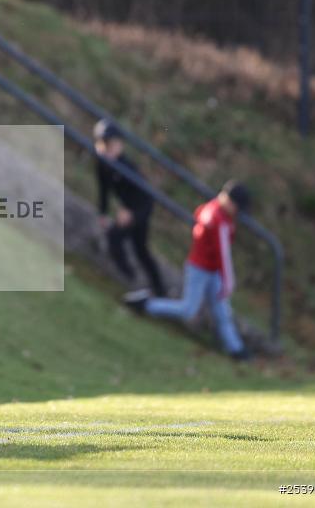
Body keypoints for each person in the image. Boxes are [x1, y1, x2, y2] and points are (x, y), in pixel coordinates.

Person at [125, 180, 252, 361]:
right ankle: (147, 304)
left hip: (213, 270)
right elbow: (222, 253)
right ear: (230, 201)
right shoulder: (216, 218)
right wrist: (229, 281)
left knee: (222, 313)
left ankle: (237, 350)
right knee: (188, 309)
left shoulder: (216, 214)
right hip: (200, 268)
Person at [93, 119, 166, 296]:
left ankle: (139, 282)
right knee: (137, 248)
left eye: (110, 144)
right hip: (130, 209)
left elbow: (142, 195)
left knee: (121, 241)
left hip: (141, 209)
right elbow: (104, 189)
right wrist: (103, 213)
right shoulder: (103, 164)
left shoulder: (126, 166)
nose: (107, 148)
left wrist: (131, 212)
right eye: (103, 144)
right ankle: (138, 282)